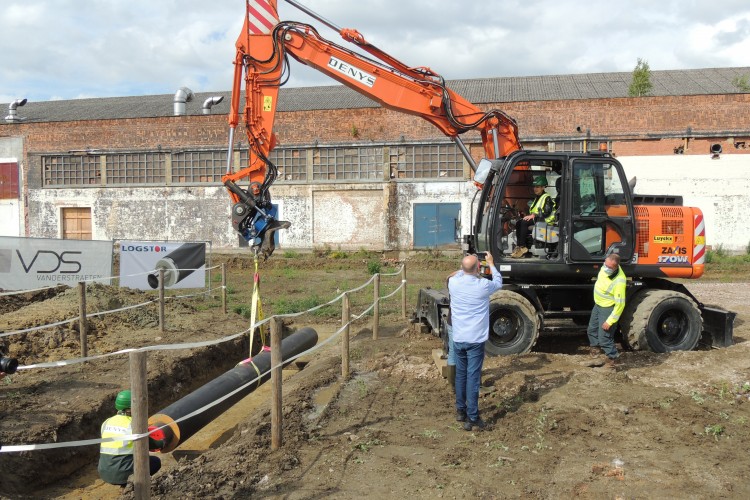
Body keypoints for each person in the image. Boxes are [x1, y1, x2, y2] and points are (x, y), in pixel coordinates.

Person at [448, 252, 503, 431]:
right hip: (475, 340)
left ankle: (460, 411)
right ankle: (472, 417)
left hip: (459, 338)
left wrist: (467, 265)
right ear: (478, 268)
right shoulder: (483, 285)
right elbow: (499, 281)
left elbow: (452, 275)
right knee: (472, 378)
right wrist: (491, 263)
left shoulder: (453, 283)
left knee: (461, 375)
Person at [98, 390, 165, 487]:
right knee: (155, 462)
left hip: (104, 471)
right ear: (130, 408)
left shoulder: (107, 422)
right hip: (122, 472)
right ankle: (134, 487)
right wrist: (162, 442)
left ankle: (126, 486)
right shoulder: (135, 424)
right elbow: (150, 444)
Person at [587, 253, 626, 368]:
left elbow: (620, 304)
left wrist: (610, 321)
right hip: (598, 305)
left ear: (616, 267)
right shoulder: (605, 267)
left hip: (607, 308)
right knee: (591, 329)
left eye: (610, 267)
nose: (606, 268)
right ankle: (595, 353)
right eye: (606, 265)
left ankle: (613, 360)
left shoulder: (619, 281)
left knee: (604, 337)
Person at [510, 175, 555, 258]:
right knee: (519, 223)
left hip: (544, 220)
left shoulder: (547, 198)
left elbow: (547, 212)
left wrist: (534, 215)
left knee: (524, 223)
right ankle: (519, 246)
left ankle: (522, 247)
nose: (535, 189)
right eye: (534, 187)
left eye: (537, 187)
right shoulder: (537, 198)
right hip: (538, 219)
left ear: (543, 187)